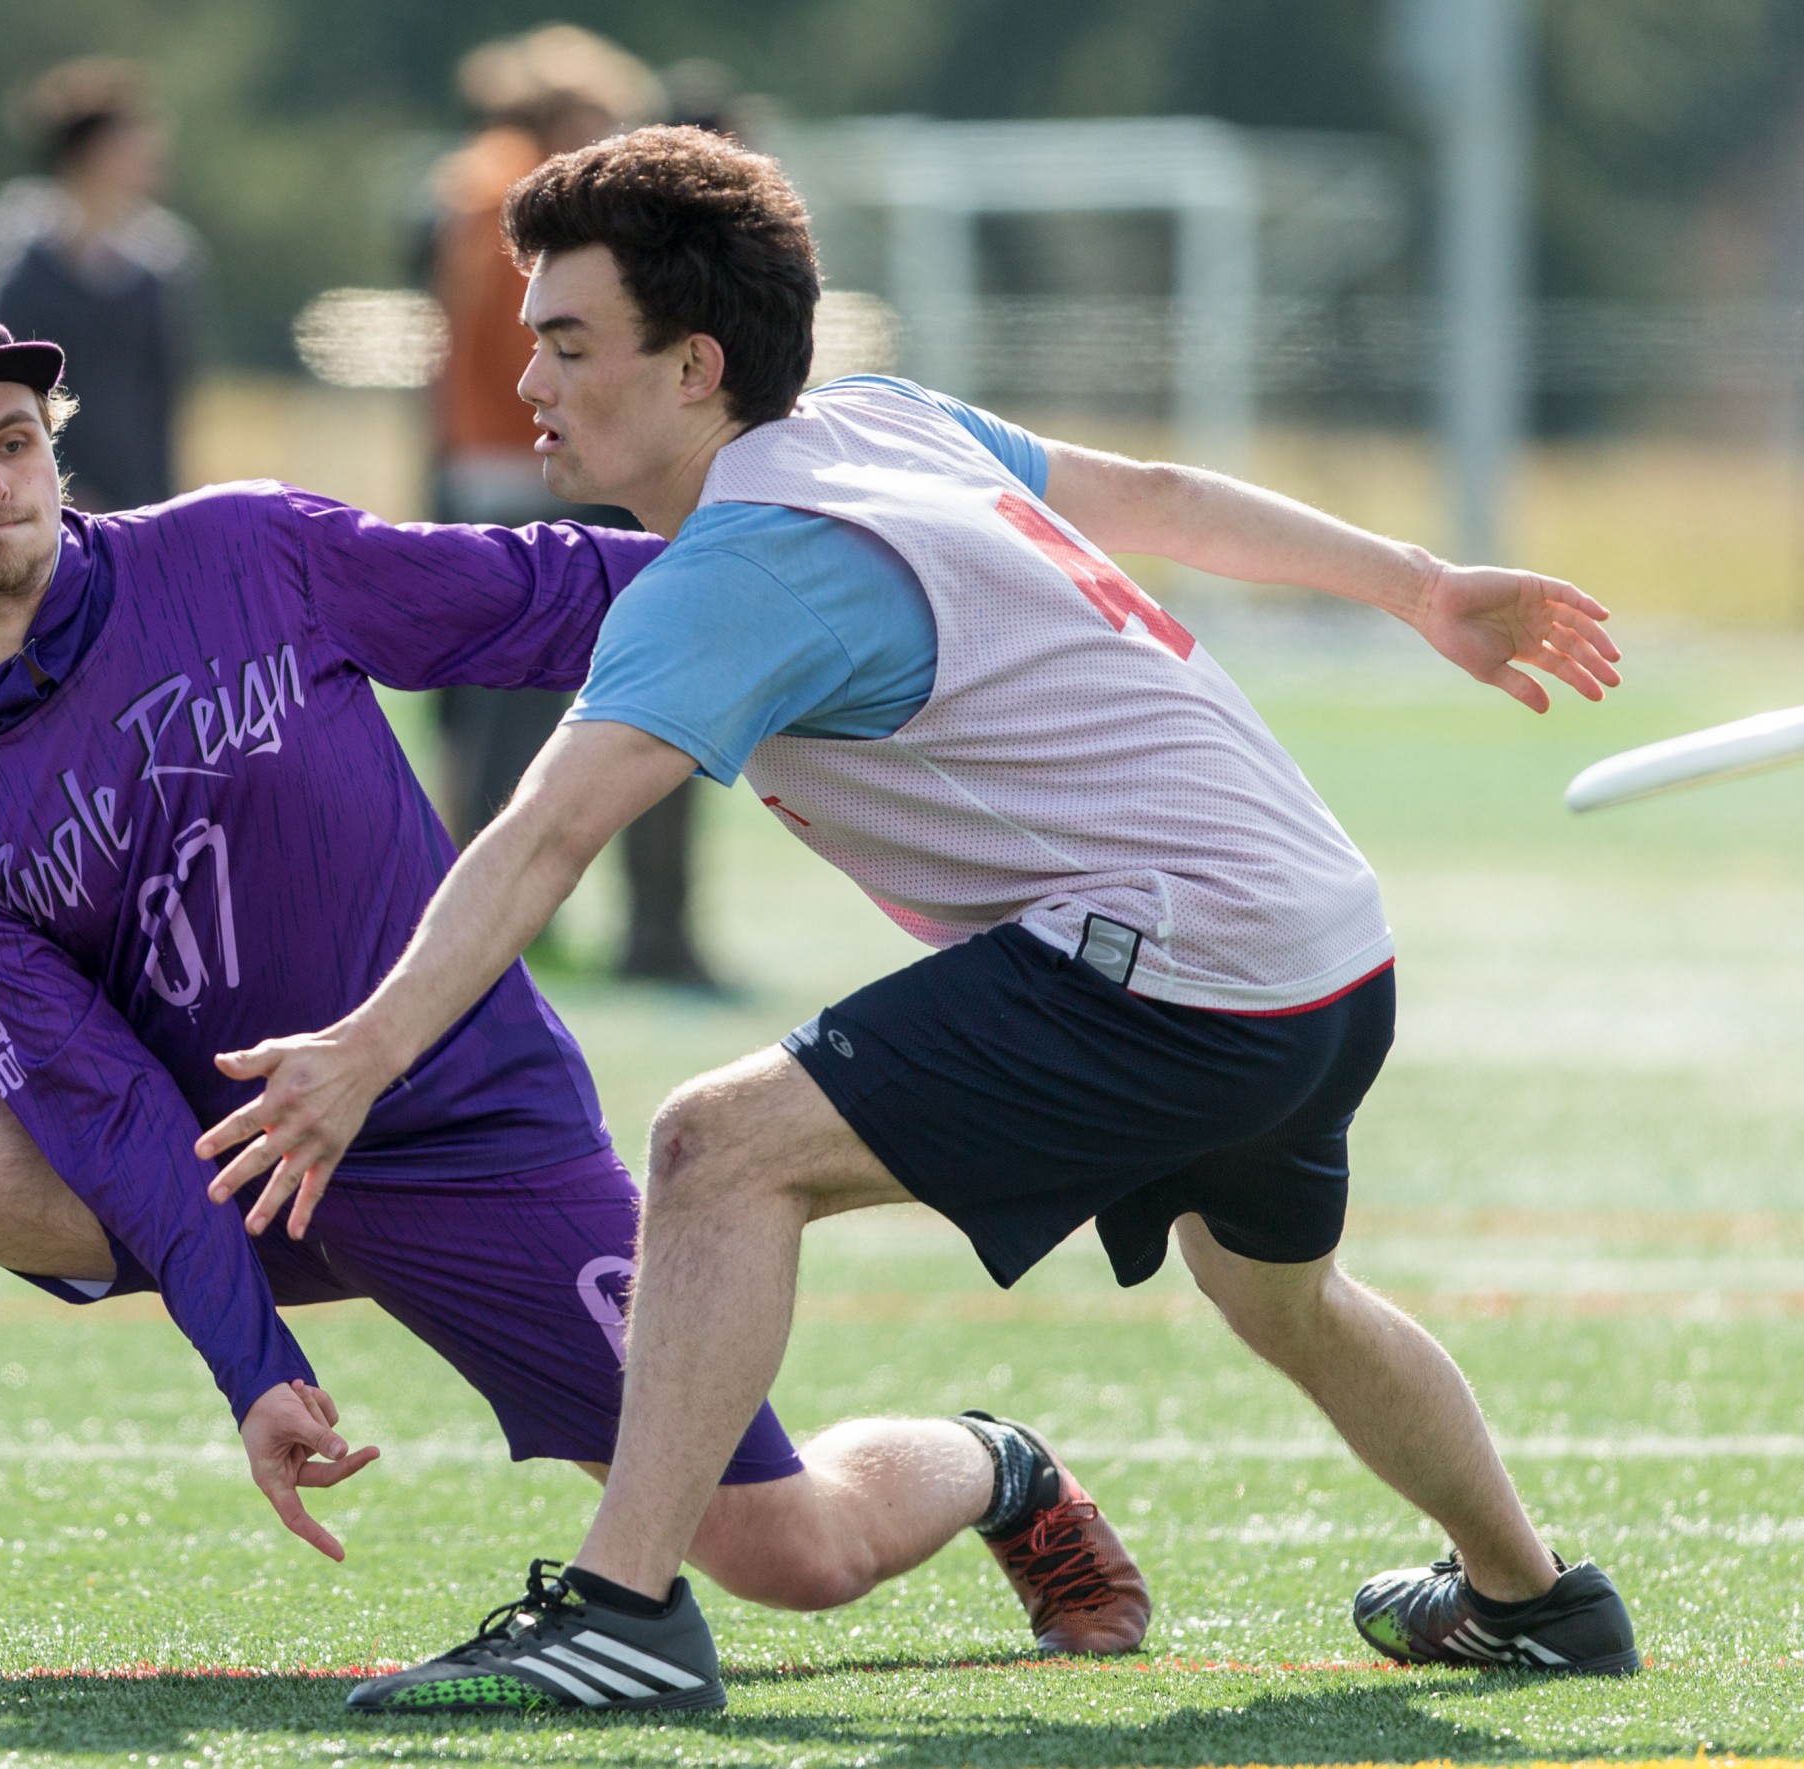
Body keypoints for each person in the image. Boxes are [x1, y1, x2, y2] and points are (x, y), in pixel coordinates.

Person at [196, 127, 1645, 1713]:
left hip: (1182, 972)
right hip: (1323, 954)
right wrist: (1418, 583)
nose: (527, 378)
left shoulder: (745, 565)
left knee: (716, 1149)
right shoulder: (883, 422)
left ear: (694, 367)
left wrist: (361, 1054)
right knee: (1279, 1291)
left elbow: (542, 841)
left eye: (565, 341)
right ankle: (1535, 1595)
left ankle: (622, 1608)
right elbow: (1153, 495)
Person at [0, 311, 1148, 1675]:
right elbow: (102, 1104)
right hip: (207, 1169)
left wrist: (859, 570)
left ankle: (997, 1460)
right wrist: (250, 1357)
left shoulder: (246, 553)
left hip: (464, 1133)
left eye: (14, 441)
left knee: (794, 1551)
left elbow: (549, 596)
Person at [427, 25, 714, 985]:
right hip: (539, 475)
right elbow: (561, 344)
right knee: (556, 703)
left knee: (508, 711)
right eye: (593, 115)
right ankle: (509, 916)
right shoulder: (515, 202)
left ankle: (504, 919)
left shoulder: (474, 187)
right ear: (556, 113)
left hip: (498, 471)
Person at [0, 58, 201, 513]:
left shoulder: (160, 268)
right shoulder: (16, 263)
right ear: (90, 153)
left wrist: (165, 503)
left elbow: (164, 400)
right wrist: (56, 484)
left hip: (135, 504)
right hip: (32, 501)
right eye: (131, 140)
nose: (153, 152)